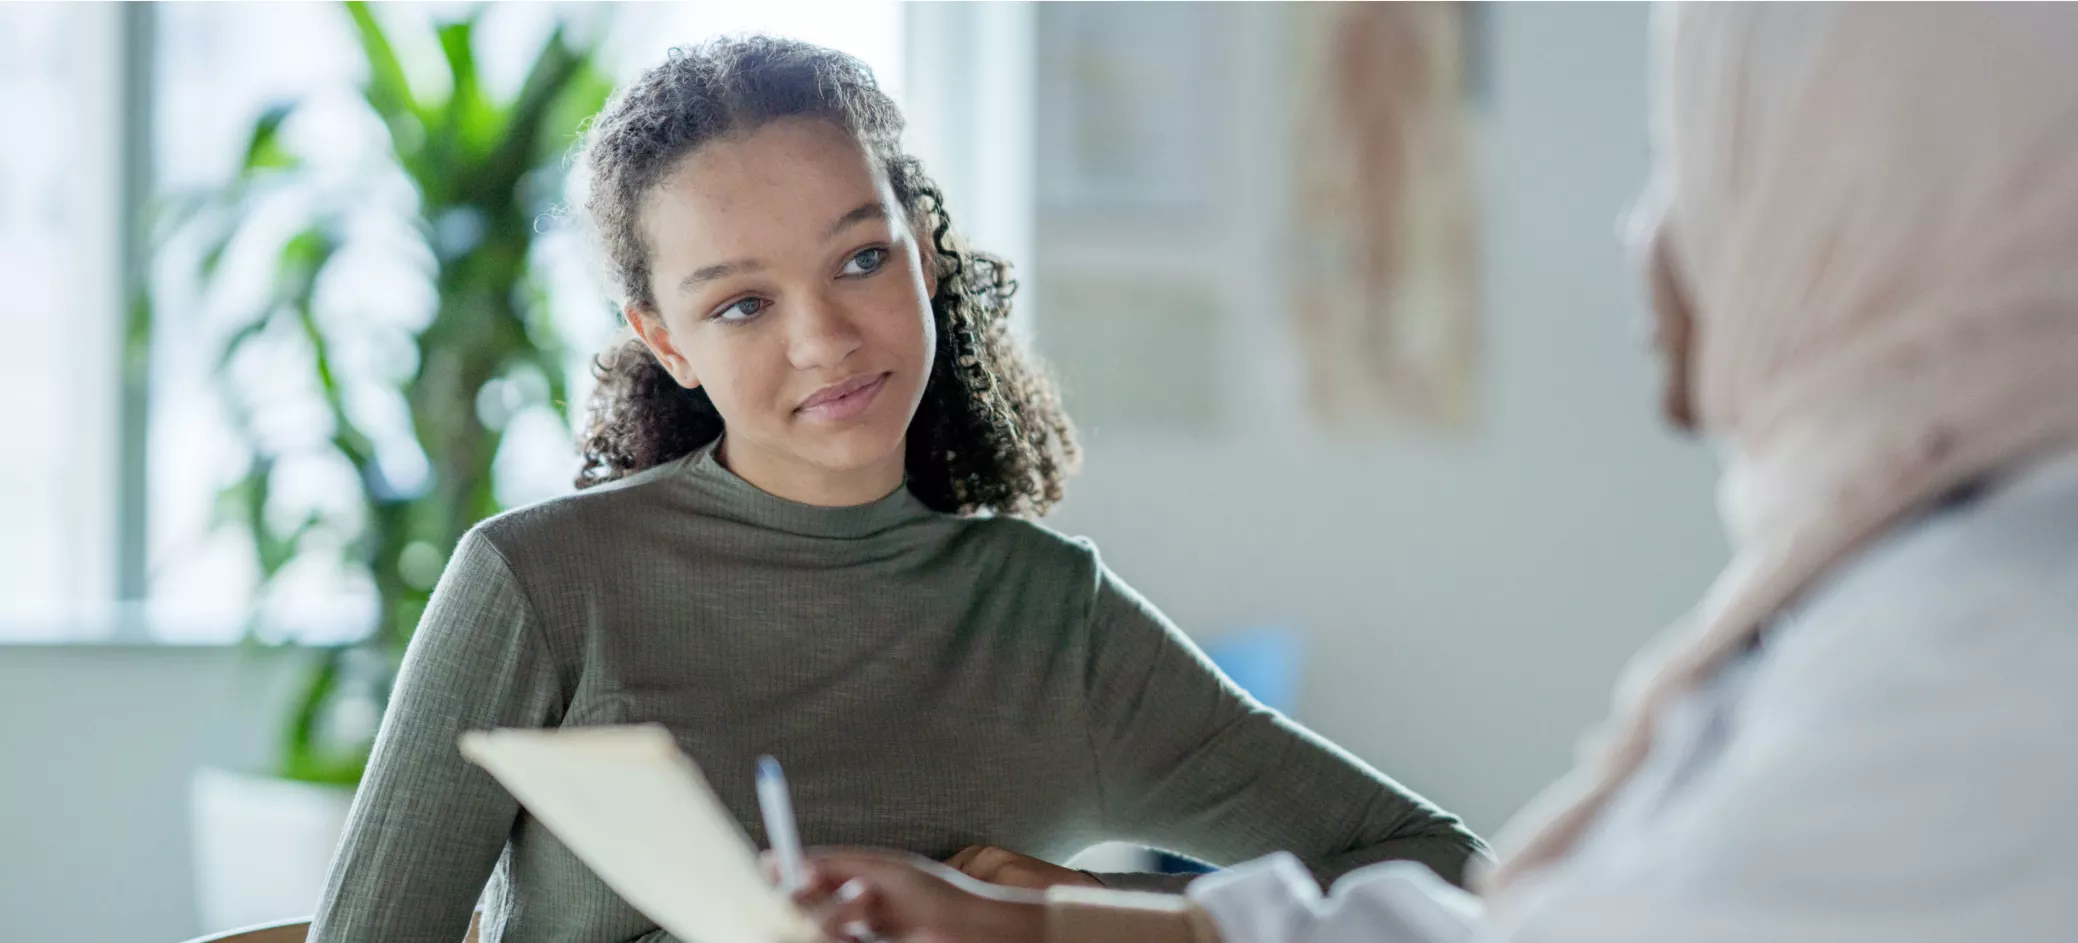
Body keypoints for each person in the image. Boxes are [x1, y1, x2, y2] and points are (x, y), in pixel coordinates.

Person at [787, 4, 2078, 941]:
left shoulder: (2007, 662)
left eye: (1699, 163)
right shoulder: (2011, 574)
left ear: (1878, 202)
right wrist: (1050, 923)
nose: (1648, 240)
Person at [305, 35, 1483, 943]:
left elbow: (1446, 873)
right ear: (665, 341)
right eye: (741, 304)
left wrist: (1077, 917)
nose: (826, 339)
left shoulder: (1049, 620)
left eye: (861, 259)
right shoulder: (540, 584)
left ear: (923, 251)